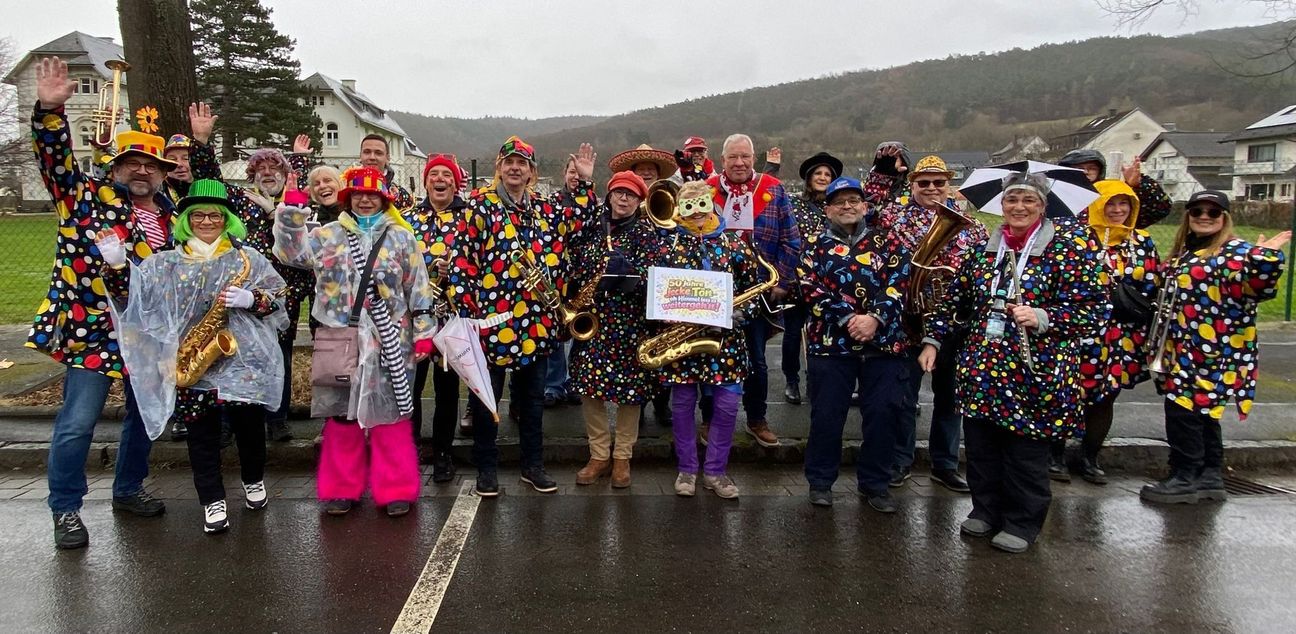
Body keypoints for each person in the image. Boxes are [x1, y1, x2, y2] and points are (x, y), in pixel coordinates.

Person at [918, 172, 1106, 553]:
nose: (1019, 207)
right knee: (982, 448)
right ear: (1002, 205)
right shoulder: (983, 251)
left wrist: (1043, 317)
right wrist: (933, 340)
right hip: (982, 370)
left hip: (1034, 371)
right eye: (1012, 200)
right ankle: (985, 510)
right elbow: (954, 301)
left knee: (1025, 452)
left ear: (1043, 206)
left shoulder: (1066, 251)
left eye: (1028, 201)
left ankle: (1022, 521)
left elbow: (1094, 310)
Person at [28, 57, 172, 549]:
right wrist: (50, 112)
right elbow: (55, 162)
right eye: (132, 163)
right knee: (78, 423)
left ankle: (128, 489)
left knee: (144, 418)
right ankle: (66, 509)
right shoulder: (83, 198)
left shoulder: (173, 217)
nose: (141, 171)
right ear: (116, 166)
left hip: (147, 335)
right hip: (92, 330)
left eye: (151, 166)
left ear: (161, 174)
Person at [98, 179, 288, 533]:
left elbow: (279, 298)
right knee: (201, 436)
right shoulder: (164, 262)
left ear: (227, 219)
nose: (206, 221)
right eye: (198, 215)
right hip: (191, 360)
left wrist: (253, 299)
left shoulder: (248, 258)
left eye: (215, 215)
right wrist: (118, 268)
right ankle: (212, 500)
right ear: (186, 220)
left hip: (244, 359)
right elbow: (135, 303)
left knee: (249, 429)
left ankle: (253, 480)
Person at [274, 166, 435, 517]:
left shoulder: (401, 238)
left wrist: (424, 332)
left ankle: (396, 489)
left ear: (383, 199)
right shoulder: (327, 235)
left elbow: (418, 285)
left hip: (390, 339)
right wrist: (292, 210)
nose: (365, 200)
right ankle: (341, 489)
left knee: (390, 413)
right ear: (348, 198)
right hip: (339, 337)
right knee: (341, 415)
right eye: (358, 194)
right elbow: (292, 255)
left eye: (372, 195)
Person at [446, 136, 599, 497]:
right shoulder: (480, 206)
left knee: (532, 403)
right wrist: (468, 310)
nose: (515, 168)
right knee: (486, 401)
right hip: (492, 323)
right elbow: (462, 260)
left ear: (532, 172)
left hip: (537, 323)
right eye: (509, 162)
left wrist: (584, 182)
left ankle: (533, 466)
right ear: (499, 168)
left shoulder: (546, 209)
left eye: (522, 163)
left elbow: (582, 225)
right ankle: (487, 469)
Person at [1140, 190, 1289, 504]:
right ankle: (1209, 474)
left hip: (1213, 349)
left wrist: (1266, 260)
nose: (1204, 217)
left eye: (1213, 212)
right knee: (1203, 411)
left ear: (1224, 217)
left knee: (1182, 410)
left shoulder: (1235, 252)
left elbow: (1259, 288)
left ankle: (1185, 476)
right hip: (1184, 346)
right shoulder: (1187, 250)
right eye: (1197, 212)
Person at [188, 104, 312, 443]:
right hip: (239, 295)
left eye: (275, 168)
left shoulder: (295, 202)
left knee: (280, 356)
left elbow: (300, 232)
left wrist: (277, 209)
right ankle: (229, 421)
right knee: (234, 355)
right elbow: (209, 181)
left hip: (282, 296)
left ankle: (277, 418)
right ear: (251, 174)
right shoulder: (238, 200)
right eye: (261, 168)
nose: (268, 173)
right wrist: (201, 142)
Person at [867, 152, 989, 492]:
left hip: (954, 325)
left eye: (939, 182)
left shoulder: (974, 228)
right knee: (904, 398)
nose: (932, 188)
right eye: (924, 183)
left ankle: (945, 464)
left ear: (949, 185)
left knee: (950, 399)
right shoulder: (893, 217)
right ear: (912, 185)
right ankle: (900, 460)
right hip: (909, 321)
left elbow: (982, 272)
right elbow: (866, 209)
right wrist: (882, 174)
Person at [799, 177, 914, 511]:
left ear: (865, 206)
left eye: (853, 200)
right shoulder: (812, 245)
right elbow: (809, 287)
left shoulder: (888, 241)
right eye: (839, 202)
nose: (847, 206)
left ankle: (876, 484)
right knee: (827, 415)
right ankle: (820, 482)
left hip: (884, 344)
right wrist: (850, 319)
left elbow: (900, 282)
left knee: (883, 414)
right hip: (831, 344)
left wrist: (874, 318)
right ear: (827, 209)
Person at [658, 181, 763, 499]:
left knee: (728, 407)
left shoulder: (734, 244)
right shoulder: (668, 245)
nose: (697, 212)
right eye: (689, 205)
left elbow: (753, 289)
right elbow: (657, 292)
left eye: (702, 203)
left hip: (726, 340)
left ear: (711, 203)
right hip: (684, 340)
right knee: (682, 405)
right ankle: (687, 469)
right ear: (680, 208)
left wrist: (741, 313)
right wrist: (665, 313)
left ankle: (716, 471)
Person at [570, 171, 667, 488]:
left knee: (631, 393)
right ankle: (599, 455)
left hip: (630, 322)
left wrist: (628, 272)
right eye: (619, 192)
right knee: (589, 389)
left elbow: (656, 278)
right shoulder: (593, 228)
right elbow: (576, 262)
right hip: (594, 320)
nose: (624, 198)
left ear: (639, 201)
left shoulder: (646, 233)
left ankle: (623, 456)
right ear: (609, 195)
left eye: (631, 194)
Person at [705, 134, 802, 447]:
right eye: (733, 157)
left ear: (753, 157)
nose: (739, 163)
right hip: (715, 292)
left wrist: (782, 281)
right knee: (710, 355)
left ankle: (756, 419)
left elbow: (791, 240)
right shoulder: (707, 188)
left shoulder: (774, 188)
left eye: (745, 156)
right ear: (722, 160)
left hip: (759, 289)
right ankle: (709, 420)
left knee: (756, 361)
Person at [1065, 180, 1160, 484]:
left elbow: (1151, 283)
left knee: (1106, 395)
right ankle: (1054, 455)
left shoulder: (1142, 241)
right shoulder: (1078, 239)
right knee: (1068, 391)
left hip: (1122, 333)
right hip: (1081, 330)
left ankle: (1089, 456)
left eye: (1124, 204)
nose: (1118, 210)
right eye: (1110, 204)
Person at [404, 153, 471, 482]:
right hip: (414, 320)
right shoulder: (408, 218)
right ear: (426, 181)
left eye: (447, 175)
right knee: (411, 388)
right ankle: (411, 450)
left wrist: (455, 269)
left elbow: (481, 262)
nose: (440, 179)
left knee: (446, 390)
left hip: (451, 318)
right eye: (434, 174)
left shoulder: (470, 218)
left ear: (455, 183)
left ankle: (443, 452)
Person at [781, 151, 843, 405]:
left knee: (823, 333)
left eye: (827, 174)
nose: (822, 177)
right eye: (818, 173)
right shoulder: (793, 204)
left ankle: (815, 380)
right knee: (793, 334)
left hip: (827, 283)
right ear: (808, 178)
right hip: (796, 281)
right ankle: (791, 379)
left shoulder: (838, 207)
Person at [1058, 148, 1171, 229]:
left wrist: (1139, 185)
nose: (1086, 172)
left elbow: (1160, 209)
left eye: (1092, 168)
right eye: (1079, 168)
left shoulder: (1111, 196)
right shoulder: (1054, 198)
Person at [359, 133, 415, 211]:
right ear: (360, 156)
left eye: (378, 153)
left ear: (387, 157)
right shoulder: (347, 189)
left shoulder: (400, 195)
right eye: (367, 152)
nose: (372, 157)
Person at [609, 143, 677, 185]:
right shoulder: (624, 197)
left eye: (651, 169)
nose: (646, 173)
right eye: (641, 169)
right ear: (633, 174)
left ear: (658, 173)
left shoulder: (670, 195)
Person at [162, 133, 194, 205]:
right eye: (172, 159)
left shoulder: (208, 189)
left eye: (186, 158)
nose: (179, 164)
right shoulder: (157, 192)